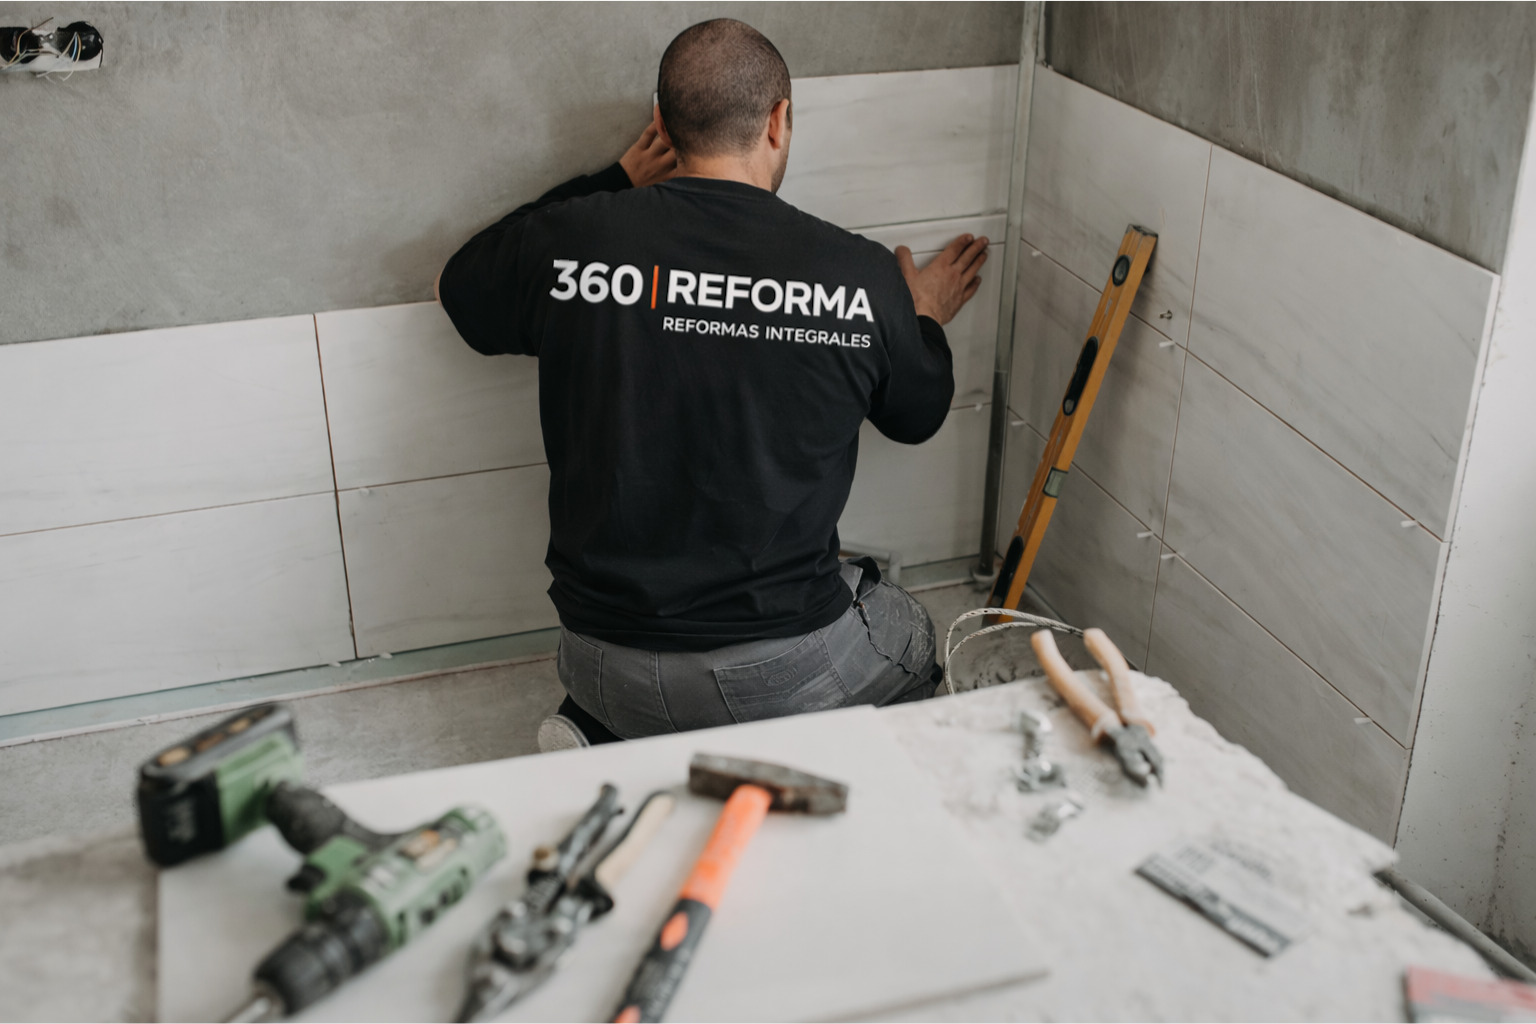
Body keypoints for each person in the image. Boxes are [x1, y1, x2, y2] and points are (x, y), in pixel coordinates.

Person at [436, 18, 989, 748]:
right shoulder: (859, 276)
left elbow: (466, 293)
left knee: (665, 677)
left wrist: (613, 181)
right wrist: (920, 315)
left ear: (661, 120)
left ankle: (598, 727)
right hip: (777, 673)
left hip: (598, 659)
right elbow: (917, 414)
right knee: (910, 632)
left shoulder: (576, 241)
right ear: (781, 120)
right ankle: (787, 754)